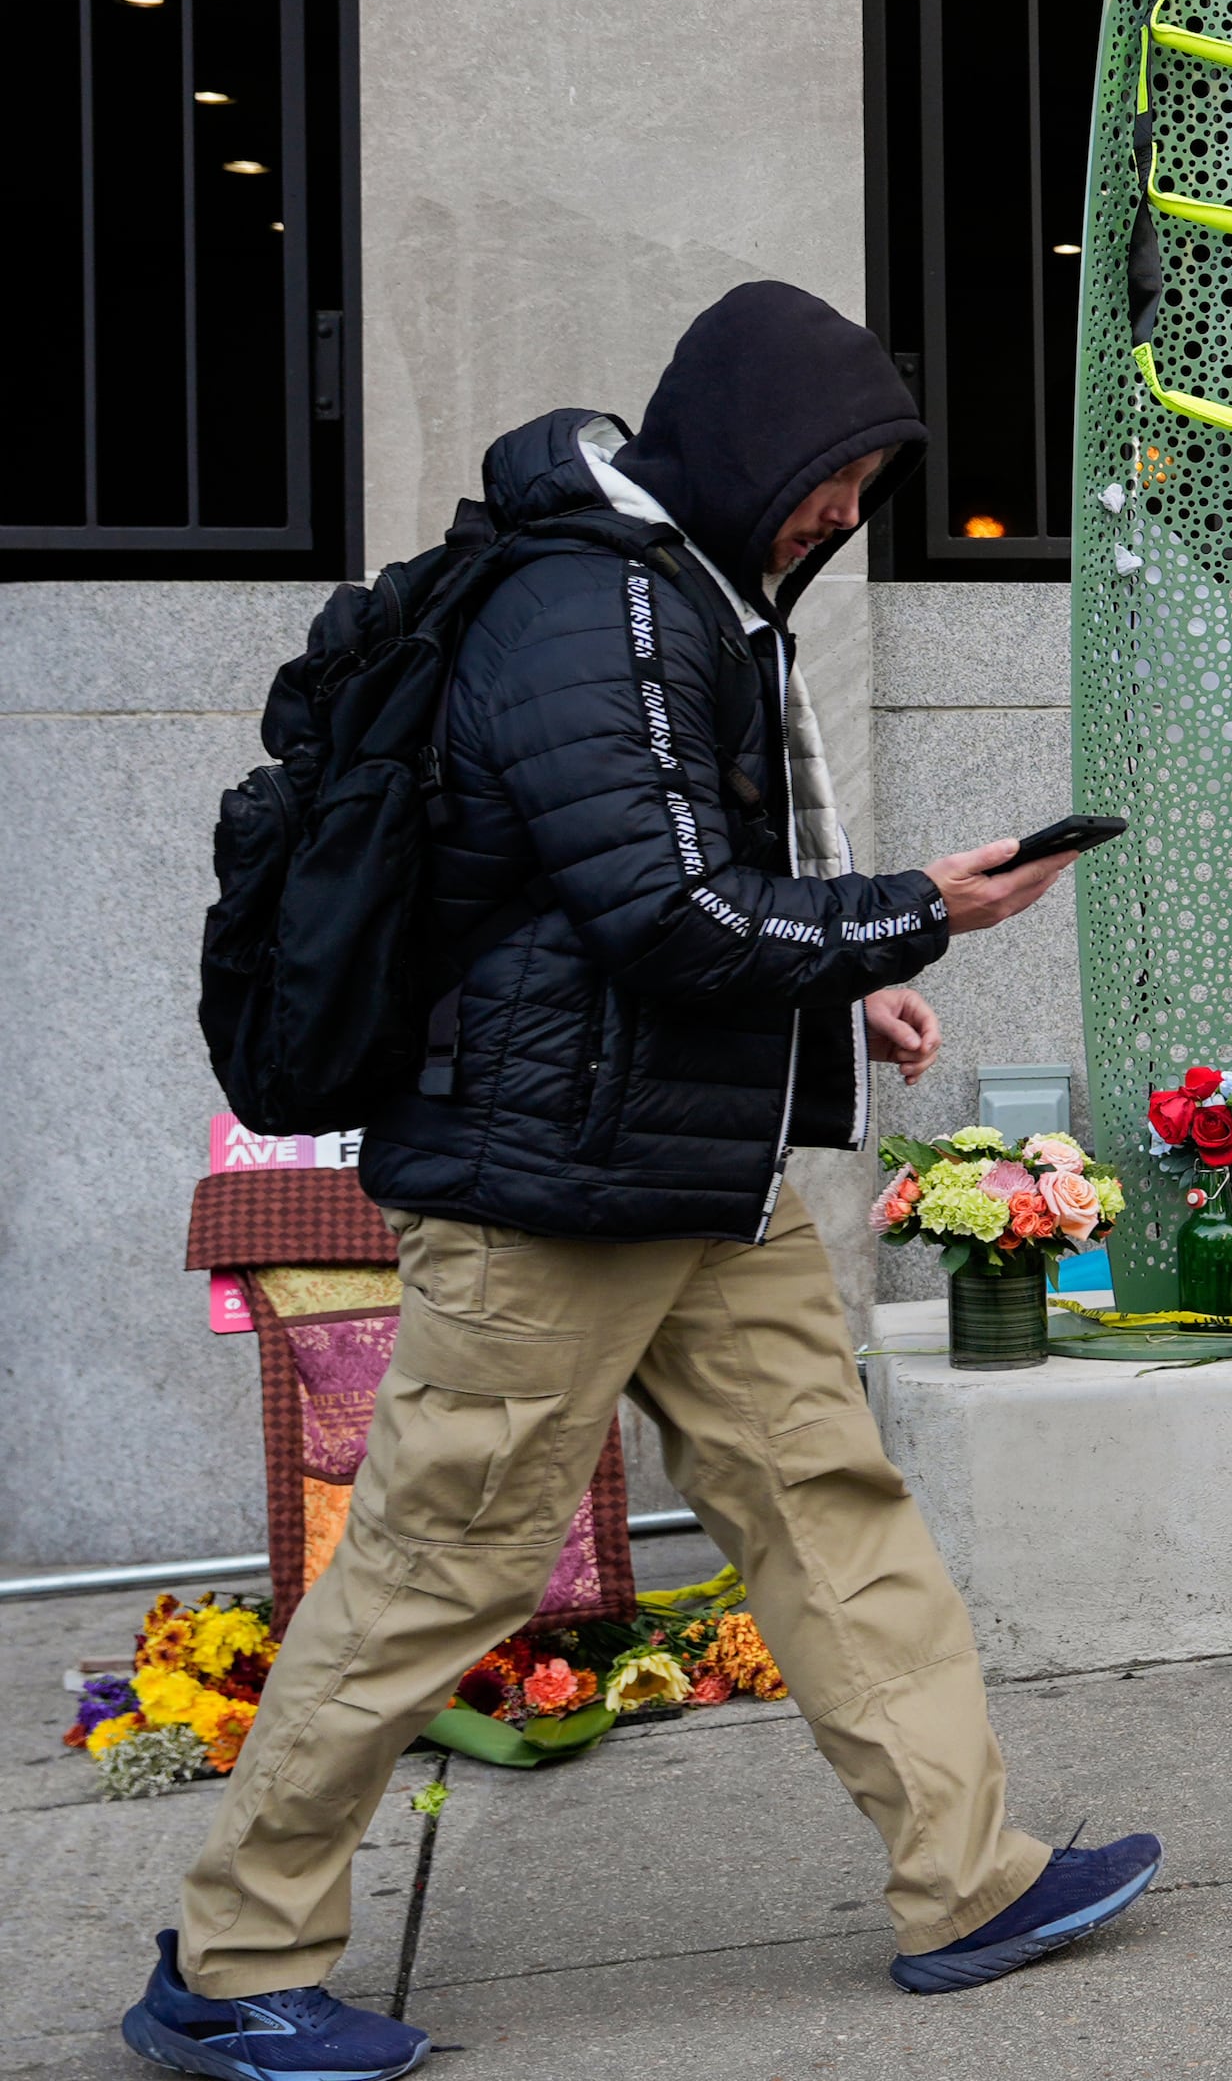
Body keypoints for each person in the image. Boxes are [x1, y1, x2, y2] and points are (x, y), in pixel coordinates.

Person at [124, 283, 1154, 2081]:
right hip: (554, 1186)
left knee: (827, 1505)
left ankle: (965, 1876)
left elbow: (677, 901)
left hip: (691, 1163)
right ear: (753, 450)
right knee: (439, 1564)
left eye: (864, 488)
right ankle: (234, 1956)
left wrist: (858, 969)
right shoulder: (589, 604)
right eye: (833, 478)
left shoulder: (684, 594)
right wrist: (925, 903)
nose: (843, 517)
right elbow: (663, 914)